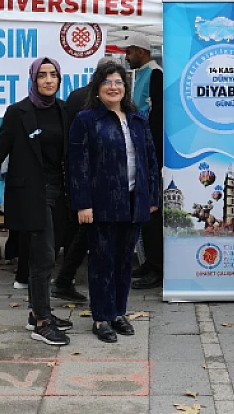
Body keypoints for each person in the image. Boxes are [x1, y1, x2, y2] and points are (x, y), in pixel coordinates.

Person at [68, 61, 160, 342]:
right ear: (97, 88)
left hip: (134, 202)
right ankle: (101, 318)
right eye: (107, 81)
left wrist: (152, 196)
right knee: (102, 262)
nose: (113, 87)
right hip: (102, 203)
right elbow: (77, 165)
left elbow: (150, 160)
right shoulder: (86, 120)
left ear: (126, 88)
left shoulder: (137, 119)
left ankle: (119, 312)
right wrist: (83, 204)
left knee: (124, 262)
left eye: (119, 82)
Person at [0, 57, 73, 346]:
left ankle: (37, 312)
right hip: (31, 196)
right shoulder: (17, 112)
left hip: (59, 193)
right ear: (33, 79)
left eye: (53, 75)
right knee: (44, 257)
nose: (48, 80)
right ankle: (42, 321)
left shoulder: (63, 110)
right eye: (42, 76)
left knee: (49, 254)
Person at [124, 34, 165, 290]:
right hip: (140, 152)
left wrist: (155, 158)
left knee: (152, 212)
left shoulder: (156, 76)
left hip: (151, 154)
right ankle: (150, 261)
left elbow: (158, 116)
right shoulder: (139, 75)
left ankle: (157, 267)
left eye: (129, 51)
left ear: (141, 50)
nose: (127, 56)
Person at [51, 80, 92, 303]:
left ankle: (65, 279)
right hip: (88, 176)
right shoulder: (90, 104)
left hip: (74, 170)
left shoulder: (75, 96)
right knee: (83, 230)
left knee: (79, 230)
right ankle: (65, 280)